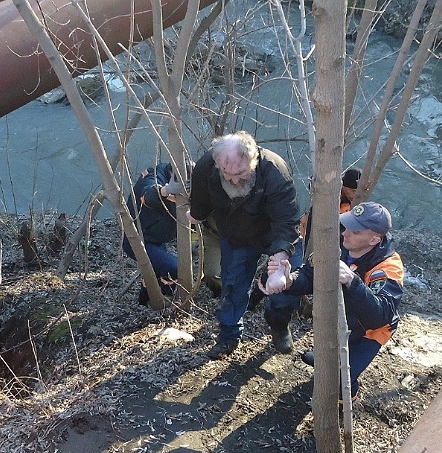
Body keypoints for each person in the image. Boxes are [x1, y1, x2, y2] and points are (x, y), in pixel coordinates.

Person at [262, 201, 404, 398]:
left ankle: (345, 400)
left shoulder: (388, 268)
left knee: (341, 380)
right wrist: (289, 280)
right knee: (329, 354)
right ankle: (326, 362)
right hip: (340, 317)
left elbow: (379, 316)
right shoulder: (340, 241)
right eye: (348, 225)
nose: (345, 233)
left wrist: (352, 281)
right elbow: (311, 275)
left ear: (373, 240)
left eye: (355, 231)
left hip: (369, 332)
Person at [187, 131, 304, 359]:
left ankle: (279, 325)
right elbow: (200, 199)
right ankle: (229, 334)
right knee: (232, 285)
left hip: (275, 234)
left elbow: (287, 220)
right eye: (226, 173)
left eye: (240, 173)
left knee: (288, 284)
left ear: (254, 160)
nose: (233, 180)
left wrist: (280, 260)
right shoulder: (206, 167)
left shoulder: (274, 171)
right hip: (236, 235)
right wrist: (197, 215)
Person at [122, 163, 185, 305]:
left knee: (155, 273)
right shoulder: (154, 177)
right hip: (138, 239)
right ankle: (163, 302)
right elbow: (147, 196)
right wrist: (165, 191)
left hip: (157, 237)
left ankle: (143, 302)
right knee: (172, 269)